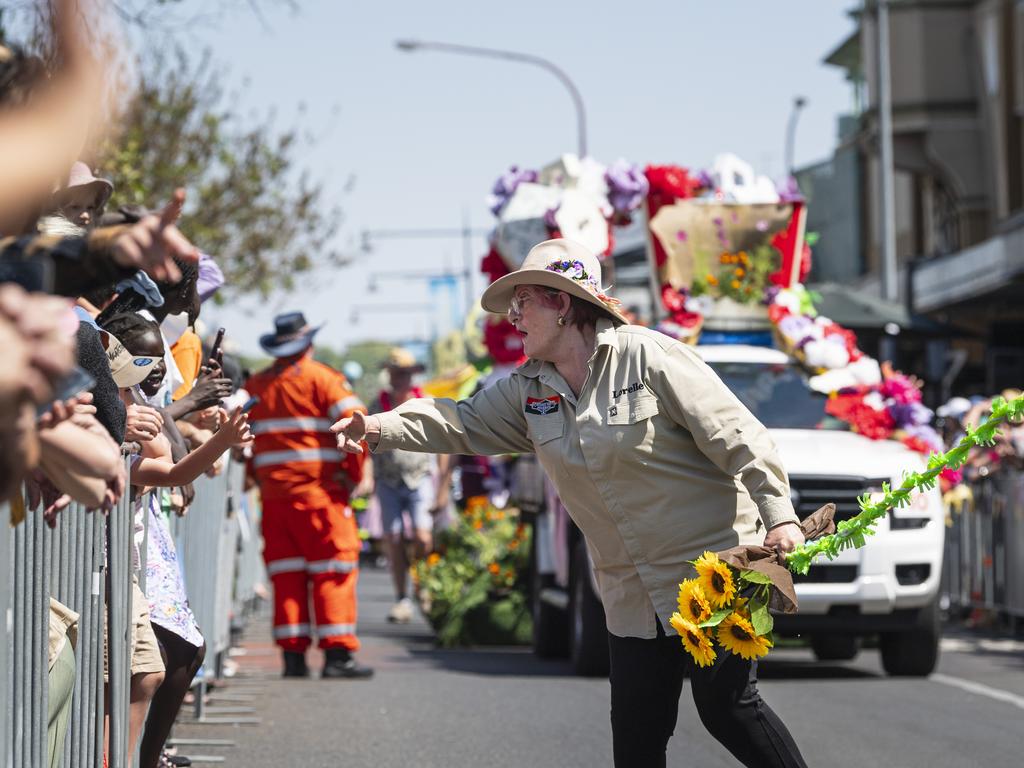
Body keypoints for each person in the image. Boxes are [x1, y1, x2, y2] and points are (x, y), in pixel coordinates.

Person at [334, 239, 808, 768]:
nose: (513, 316)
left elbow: (739, 436)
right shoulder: (526, 389)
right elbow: (461, 421)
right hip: (629, 590)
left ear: (563, 304)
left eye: (524, 302)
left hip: (710, 572)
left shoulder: (647, 356)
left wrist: (779, 516)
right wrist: (378, 426)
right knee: (636, 739)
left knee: (727, 709)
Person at [245, 312, 373, 679]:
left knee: (287, 575)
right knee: (333, 569)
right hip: (320, 498)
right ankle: (337, 657)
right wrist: (351, 478)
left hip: (274, 500)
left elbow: (242, 440)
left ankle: (293, 659)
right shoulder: (323, 380)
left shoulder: (257, 385)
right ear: (308, 344)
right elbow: (358, 427)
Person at [369, 347, 448, 623]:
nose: (399, 379)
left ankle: (423, 585)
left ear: (412, 376)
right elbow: (365, 444)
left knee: (422, 537)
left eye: (404, 373)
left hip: (419, 478)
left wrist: (443, 489)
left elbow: (445, 444)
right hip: (388, 480)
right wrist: (367, 478)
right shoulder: (377, 406)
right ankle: (402, 597)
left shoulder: (425, 403)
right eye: (395, 373)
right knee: (392, 538)